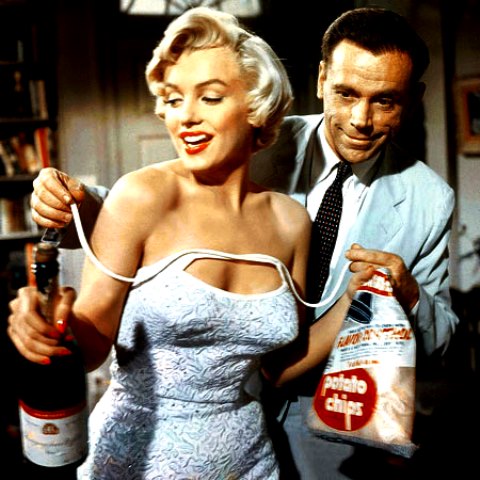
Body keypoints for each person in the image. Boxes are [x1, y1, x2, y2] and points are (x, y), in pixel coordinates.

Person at [18, 6, 459, 480]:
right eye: (345, 93)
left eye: (385, 101)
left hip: (319, 418)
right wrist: (73, 203)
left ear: (412, 99)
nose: (360, 120)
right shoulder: (246, 140)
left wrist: (400, 293)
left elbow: (438, 340)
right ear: (320, 80)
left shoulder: (424, 201)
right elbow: (147, 213)